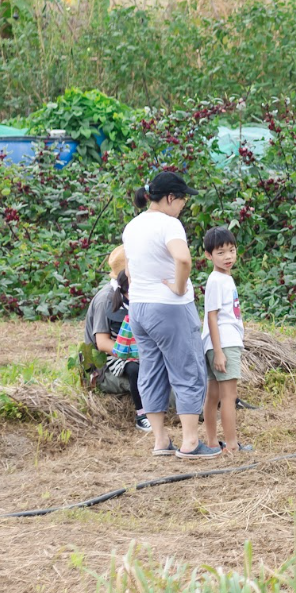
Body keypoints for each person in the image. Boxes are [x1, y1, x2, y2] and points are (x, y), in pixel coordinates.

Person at [123, 171, 220, 459]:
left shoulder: (132, 226)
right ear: (169, 198)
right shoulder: (169, 224)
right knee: (188, 369)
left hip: (139, 308)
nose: (183, 206)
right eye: (182, 200)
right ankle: (190, 442)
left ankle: (161, 441)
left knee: (151, 371)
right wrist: (178, 287)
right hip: (170, 308)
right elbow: (184, 258)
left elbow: (129, 270)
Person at [81, 246, 147, 430]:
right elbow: (103, 344)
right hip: (106, 367)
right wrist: (139, 353)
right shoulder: (106, 299)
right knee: (146, 380)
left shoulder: (130, 295)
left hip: (128, 354)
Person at [199, 226, 248, 453]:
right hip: (224, 343)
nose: (228, 256)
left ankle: (211, 442)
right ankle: (231, 445)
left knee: (215, 394)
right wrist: (218, 351)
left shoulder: (223, 278)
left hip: (218, 343)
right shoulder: (217, 280)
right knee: (229, 396)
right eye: (220, 252)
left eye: (231, 250)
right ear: (208, 255)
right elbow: (212, 316)